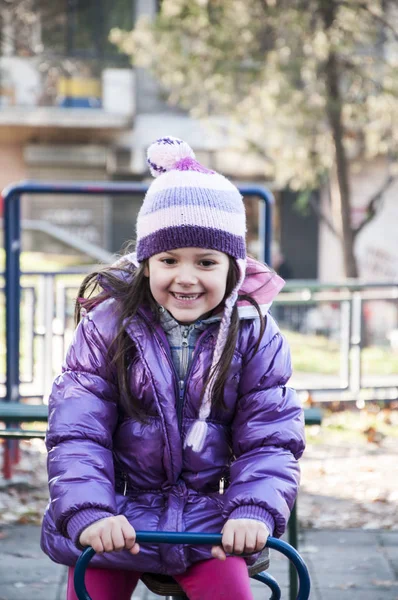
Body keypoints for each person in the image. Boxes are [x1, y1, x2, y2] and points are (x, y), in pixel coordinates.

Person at [41, 136, 305, 600]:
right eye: (168, 260)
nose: (186, 277)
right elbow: (78, 433)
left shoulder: (254, 335)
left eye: (206, 261)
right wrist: (91, 513)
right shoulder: (108, 327)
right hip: (117, 517)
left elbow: (270, 437)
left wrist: (251, 510)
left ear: (234, 269)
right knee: (90, 591)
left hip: (209, 521)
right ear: (146, 264)